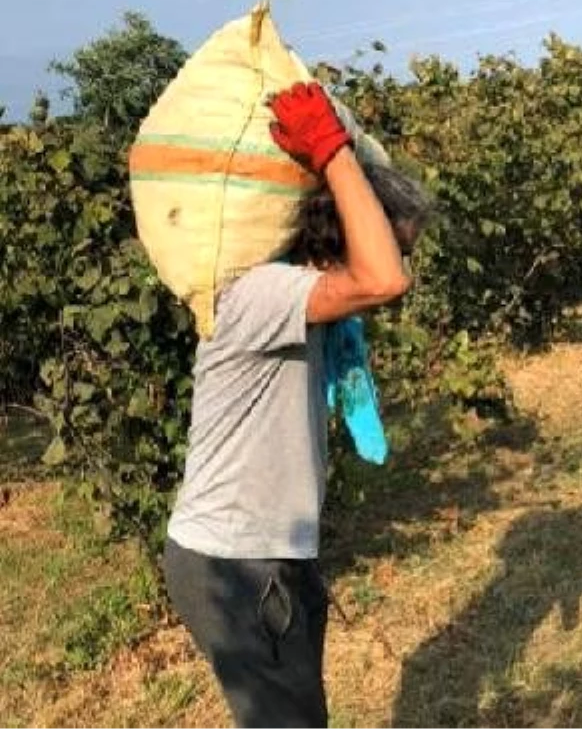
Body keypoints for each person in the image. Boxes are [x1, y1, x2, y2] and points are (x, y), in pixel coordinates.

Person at [160, 81, 433, 728]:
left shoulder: (299, 306)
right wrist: (333, 151)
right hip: (235, 563)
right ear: (340, 237)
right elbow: (383, 277)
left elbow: (378, 276)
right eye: (388, 240)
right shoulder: (259, 296)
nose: (400, 263)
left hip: (274, 555)